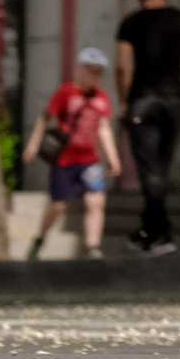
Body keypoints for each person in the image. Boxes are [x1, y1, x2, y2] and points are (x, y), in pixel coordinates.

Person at [114, 0, 180, 255]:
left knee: (149, 170)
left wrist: (124, 101)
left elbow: (122, 66)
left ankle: (161, 232)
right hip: (174, 99)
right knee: (160, 167)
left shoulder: (131, 23)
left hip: (143, 98)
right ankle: (149, 230)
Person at [22, 49, 123, 261]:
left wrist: (113, 158)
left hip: (90, 161)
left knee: (96, 201)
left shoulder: (101, 97)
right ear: (80, 69)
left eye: (99, 72)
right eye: (92, 71)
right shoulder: (66, 92)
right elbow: (44, 118)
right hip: (64, 160)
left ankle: (92, 247)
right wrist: (33, 144)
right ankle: (40, 239)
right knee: (58, 206)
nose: (96, 76)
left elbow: (104, 128)